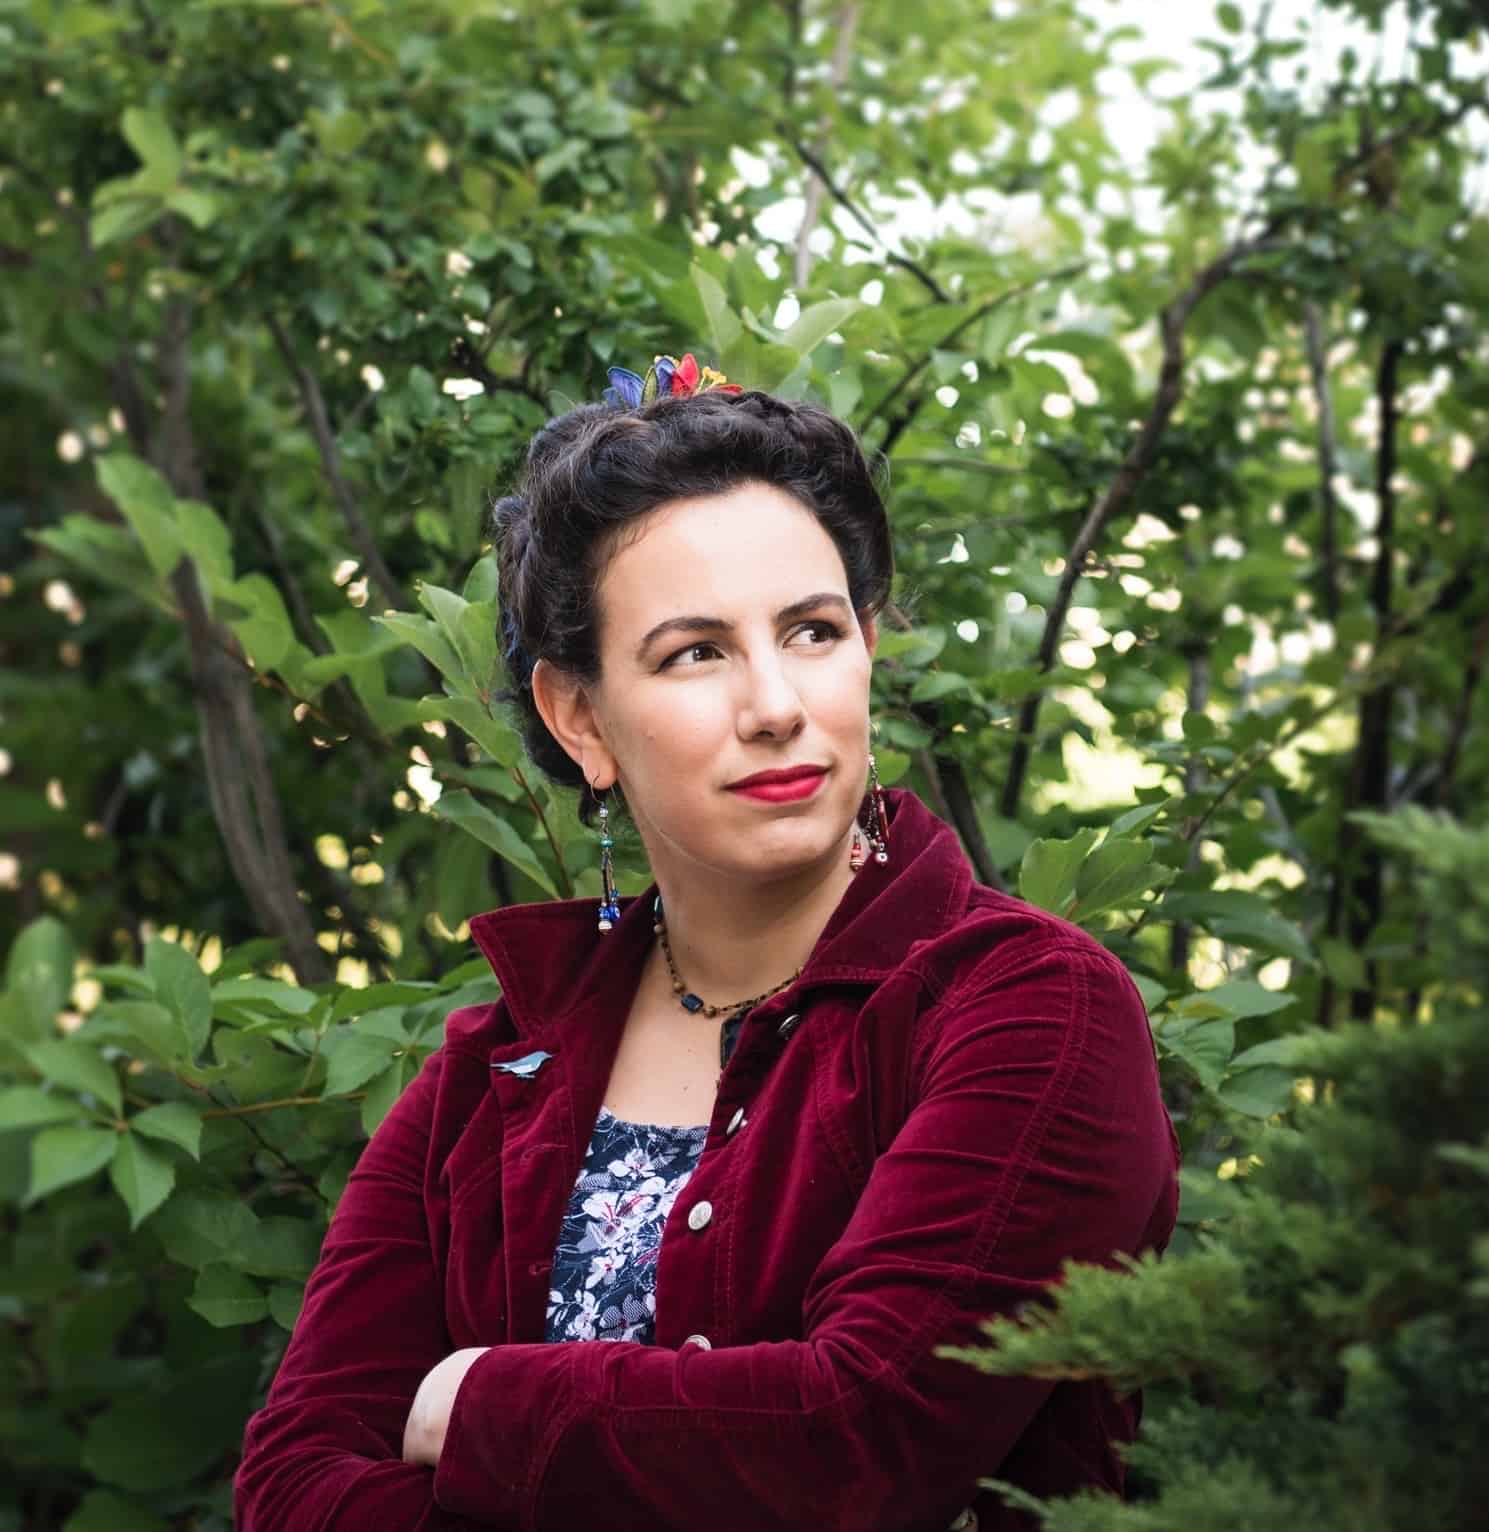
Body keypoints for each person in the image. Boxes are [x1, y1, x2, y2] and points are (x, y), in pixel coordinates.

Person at [234, 353, 1180, 1531]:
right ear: (580, 717)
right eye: (697, 651)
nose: (776, 701)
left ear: (867, 649)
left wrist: (477, 1397)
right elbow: (294, 1479)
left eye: (812, 630)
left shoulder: (1029, 1008)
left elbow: (856, 1445)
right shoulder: (493, 1071)